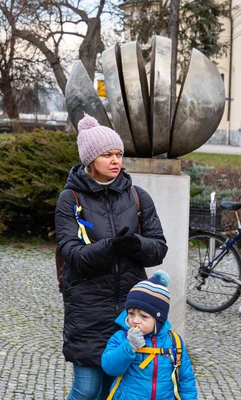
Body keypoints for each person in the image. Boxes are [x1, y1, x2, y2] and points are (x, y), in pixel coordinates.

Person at [55, 114, 168, 400]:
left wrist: (134, 245)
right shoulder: (71, 199)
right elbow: (72, 255)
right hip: (87, 308)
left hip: (130, 313)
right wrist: (112, 247)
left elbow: (158, 248)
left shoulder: (137, 196)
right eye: (107, 155)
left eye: (118, 154)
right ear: (91, 159)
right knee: (87, 389)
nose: (116, 160)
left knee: (115, 391)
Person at [101, 270, 198, 399]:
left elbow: (186, 380)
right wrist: (129, 347)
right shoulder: (121, 337)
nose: (135, 320)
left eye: (143, 316)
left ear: (158, 320)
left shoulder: (174, 342)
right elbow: (110, 367)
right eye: (131, 313)